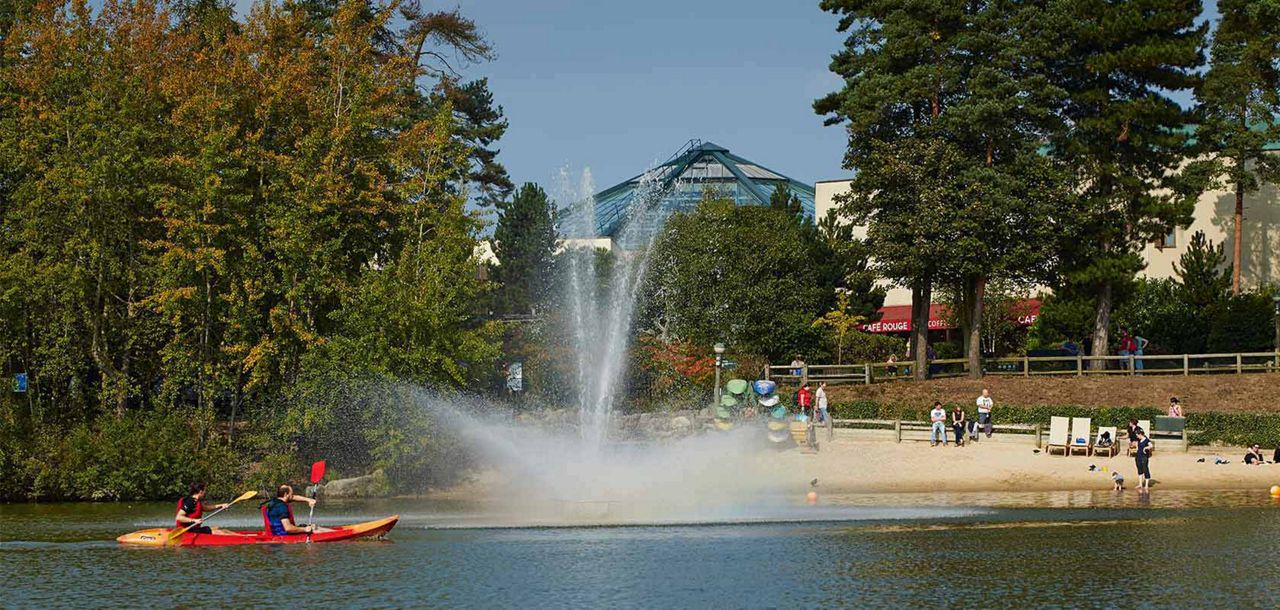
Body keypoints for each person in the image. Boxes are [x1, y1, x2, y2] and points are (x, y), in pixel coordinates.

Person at [263, 484, 332, 536]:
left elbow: (294, 497)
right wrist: (305, 529)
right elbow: (288, 528)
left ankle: (336, 532)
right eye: (291, 494)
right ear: (286, 494)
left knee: (313, 526)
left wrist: (309, 500)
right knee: (313, 529)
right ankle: (337, 535)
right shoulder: (282, 507)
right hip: (283, 534)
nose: (293, 496)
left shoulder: (274, 501)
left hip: (277, 531)